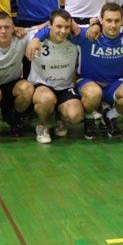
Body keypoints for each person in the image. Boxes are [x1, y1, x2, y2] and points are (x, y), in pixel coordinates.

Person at [65, 3, 123, 138]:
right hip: (87, 82)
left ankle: (110, 116)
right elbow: (61, 22)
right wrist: (37, 38)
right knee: (94, 93)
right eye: (109, 20)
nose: (113, 25)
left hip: (114, 84)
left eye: (117, 21)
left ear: (122, 21)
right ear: (101, 20)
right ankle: (89, 118)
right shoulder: (87, 34)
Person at [26, 9, 84, 144]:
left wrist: (96, 25)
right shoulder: (34, 39)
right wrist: (36, 38)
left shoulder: (76, 40)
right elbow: (18, 31)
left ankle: (60, 118)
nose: (63, 31)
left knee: (75, 116)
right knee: (46, 99)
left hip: (65, 87)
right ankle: (42, 125)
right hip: (43, 85)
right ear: (50, 26)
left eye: (66, 27)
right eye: (58, 26)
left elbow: (92, 27)